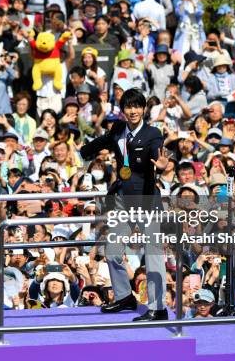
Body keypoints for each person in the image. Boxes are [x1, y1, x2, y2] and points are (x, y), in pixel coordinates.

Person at [80, 89, 168, 321]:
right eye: (128, 107)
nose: (133, 111)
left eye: (137, 106)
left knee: (153, 254)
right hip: (122, 200)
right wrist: (84, 151)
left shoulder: (153, 133)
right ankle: (124, 297)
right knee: (113, 251)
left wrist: (160, 165)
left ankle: (158, 308)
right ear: (122, 110)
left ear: (144, 109)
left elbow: (158, 155)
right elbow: (100, 142)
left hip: (147, 199)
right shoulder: (118, 129)